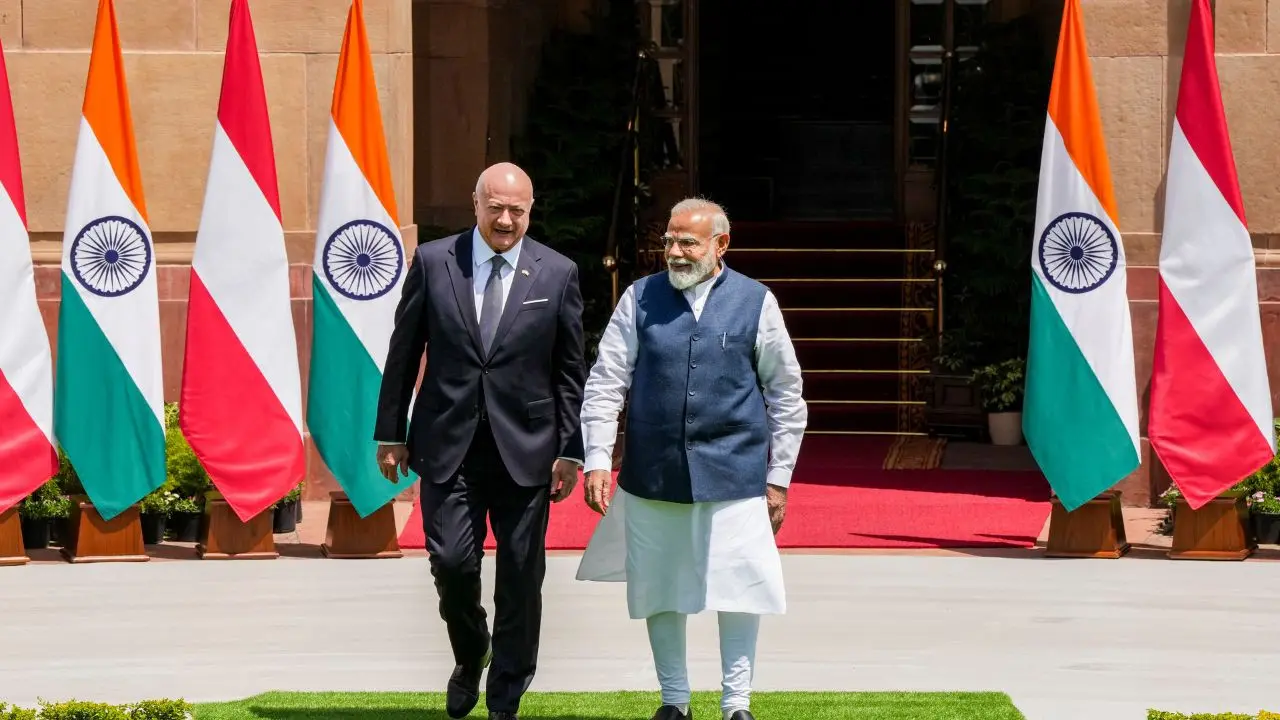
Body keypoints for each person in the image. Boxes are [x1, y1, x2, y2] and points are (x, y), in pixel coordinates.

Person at [574, 197, 807, 720]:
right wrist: (595, 457)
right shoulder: (639, 297)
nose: (675, 253)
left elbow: (786, 393)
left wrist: (779, 476)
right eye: (669, 241)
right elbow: (607, 381)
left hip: (737, 472)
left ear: (721, 245)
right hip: (653, 473)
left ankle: (736, 704)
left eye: (688, 242)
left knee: (743, 586)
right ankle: (674, 701)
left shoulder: (756, 300)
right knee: (660, 585)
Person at [374, 162, 586, 720]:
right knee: (450, 563)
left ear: (530, 211)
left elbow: (570, 371)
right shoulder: (433, 261)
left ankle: (506, 697)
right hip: (448, 444)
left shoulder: (558, 273)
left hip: (528, 449)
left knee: (521, 576)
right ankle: (471, 653)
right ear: (476, 205)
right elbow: (404, 352)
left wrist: (572, 448)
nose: (506, 220)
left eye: (517, 210)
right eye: (496, 207)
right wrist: (390, 433)